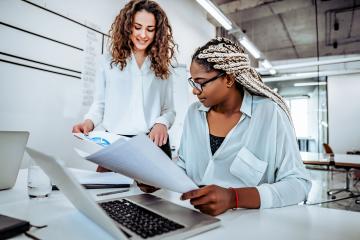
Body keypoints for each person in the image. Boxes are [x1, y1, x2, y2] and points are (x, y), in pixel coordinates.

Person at [141, 37, 312, 216]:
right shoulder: (194, 114)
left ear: (229, 79)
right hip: (195, 218)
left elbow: (298, 184)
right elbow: (184, 167)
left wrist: (233, 198)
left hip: (251, 225)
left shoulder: (269, 114)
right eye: (193, 82)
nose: (195, 90)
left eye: (201, 83)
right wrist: (158, 179)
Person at [72, 0, 176, 167]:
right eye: (137, 27)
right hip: (116, 145)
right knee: (111, 192)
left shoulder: (163, 66)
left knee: (154, 194)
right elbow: (100, 104)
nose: (143, 34)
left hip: (152, 144)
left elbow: (169, 109)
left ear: (157, 32)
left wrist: (161, 123)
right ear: (128, 27)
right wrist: (88, 122)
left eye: (150, 29)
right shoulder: (107, 62)